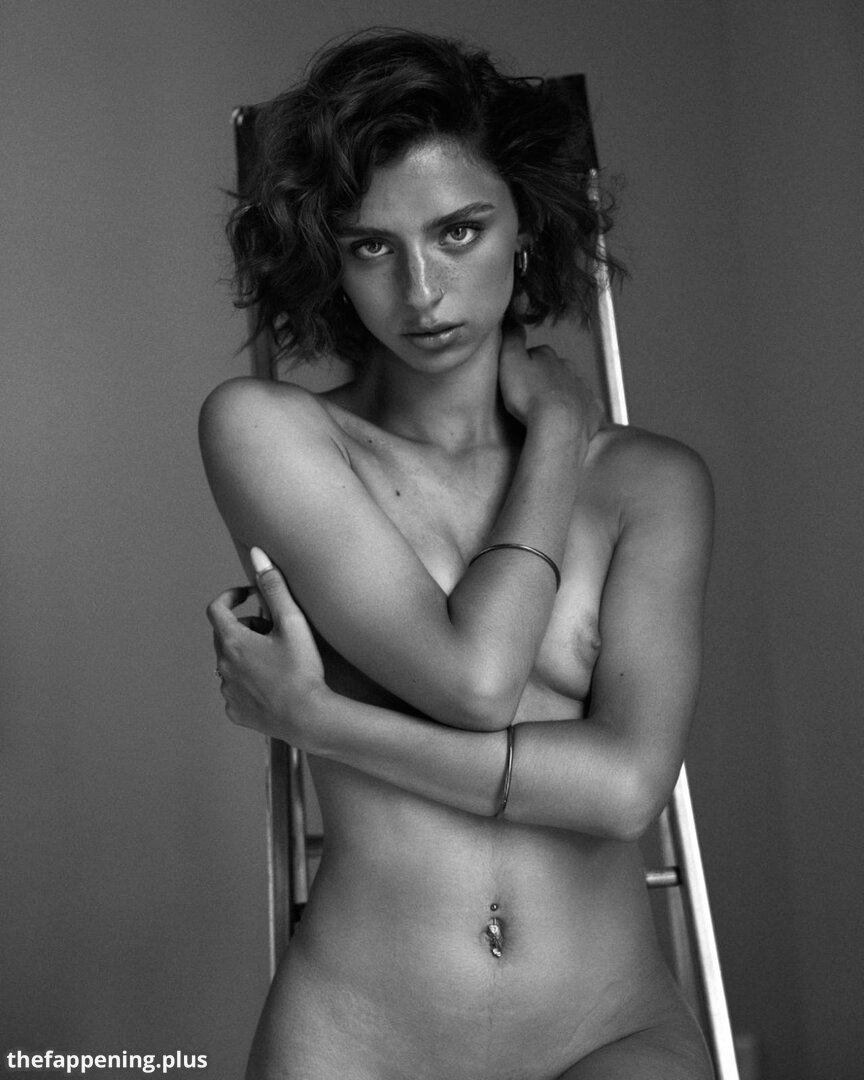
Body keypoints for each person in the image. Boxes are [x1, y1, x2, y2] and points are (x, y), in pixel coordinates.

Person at [200, 28, 715, 1080]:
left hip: (607, 1028)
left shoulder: (651, 484)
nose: (423, 291)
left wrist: (322, 721)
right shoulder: (270, 432)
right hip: (357, 1037)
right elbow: (474, 680)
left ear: (524, 225)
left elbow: (627, 790)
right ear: (329, 258)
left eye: (460, 231)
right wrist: (557, 434)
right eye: (371, 246)